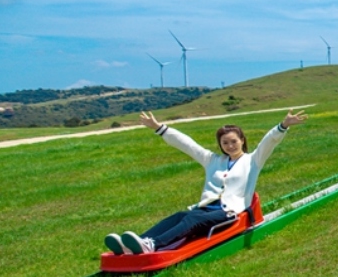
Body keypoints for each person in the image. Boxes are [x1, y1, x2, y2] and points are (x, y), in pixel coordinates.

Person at [104, 109, 308, 255]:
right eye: (225, 142)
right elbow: (187, 145)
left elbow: (268, 142)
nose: (229, 145)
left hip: (228, 213)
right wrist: (159, 128)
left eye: (233, 141)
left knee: (191, 221)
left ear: (242, 141)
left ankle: (152, 244)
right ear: (220, 144)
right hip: (205, 208)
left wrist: (283, 126)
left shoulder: (252, 160)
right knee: (180, 216)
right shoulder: (213, 160)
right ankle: (133, 244)